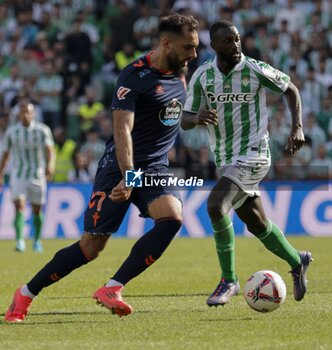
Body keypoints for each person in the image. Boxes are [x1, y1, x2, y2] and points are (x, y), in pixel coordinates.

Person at [4, 14, 199, 322]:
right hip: (119, 166)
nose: (194, 54)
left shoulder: (181, 71)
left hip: (156, 168)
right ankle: (25, 294)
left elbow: (172, 113)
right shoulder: (133, 76)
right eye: (188, 47)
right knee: (90, 247)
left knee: (172, 217)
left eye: (195, 47)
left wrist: (196, 118)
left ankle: (113, 287)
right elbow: (123, 132)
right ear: (166, 43)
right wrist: (130, 176)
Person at [181, 20, 312, 307]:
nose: (235, 45)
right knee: (257, 224)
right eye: (228, 41)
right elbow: (185, 119)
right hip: (225, 159)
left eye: (237, 39)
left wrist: (297, 127)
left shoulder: (254, 69)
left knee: (216, 206)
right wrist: (197, 117)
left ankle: (229, 280)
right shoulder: (203, 76)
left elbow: (290, 88)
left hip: (255, 153)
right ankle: (297, 260)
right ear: (214, 46)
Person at [0, 100, 55, 253]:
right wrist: (1, 172)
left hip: (38, 174)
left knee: (37, 210)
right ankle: (20, 241)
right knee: (19, 206)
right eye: (23, 112)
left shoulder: (42, 130)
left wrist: (50, 165)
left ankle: (37, 241)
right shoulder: (12, 132)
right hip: (18, 175)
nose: (26, 115)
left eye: (28, 112)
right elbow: (5, 154)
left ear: (33, 114)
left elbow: (50, 150)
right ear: (18, 114)